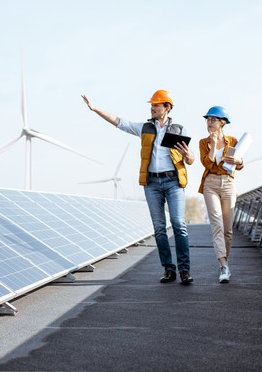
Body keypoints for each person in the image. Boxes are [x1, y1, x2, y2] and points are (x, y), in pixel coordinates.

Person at [82, 90, 195, 284]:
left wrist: (188, 156)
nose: (152, 108)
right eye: (151, 105)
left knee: (178, 224)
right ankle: (169, 269)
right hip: (151, 183)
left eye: (156, 105)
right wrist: (95, 109)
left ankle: (184, 270)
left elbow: (191, 159)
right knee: (159, 228)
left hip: (173, 182)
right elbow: (120, 122)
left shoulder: (178, 129)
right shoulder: (145, 128)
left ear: (166, 107)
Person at [198, 106, 244, 283]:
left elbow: (239, 165)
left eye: (213, 119)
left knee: (227, 230)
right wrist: (212, 146)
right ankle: (223, 265)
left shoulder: (232, 140)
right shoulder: (203, 142)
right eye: (208, 119)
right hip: (210, 183)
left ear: (222, 122)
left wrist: (239, 160)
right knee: (216, 224)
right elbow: (207, 164)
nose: (209, 122)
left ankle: (225, 262)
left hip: (228, 184)